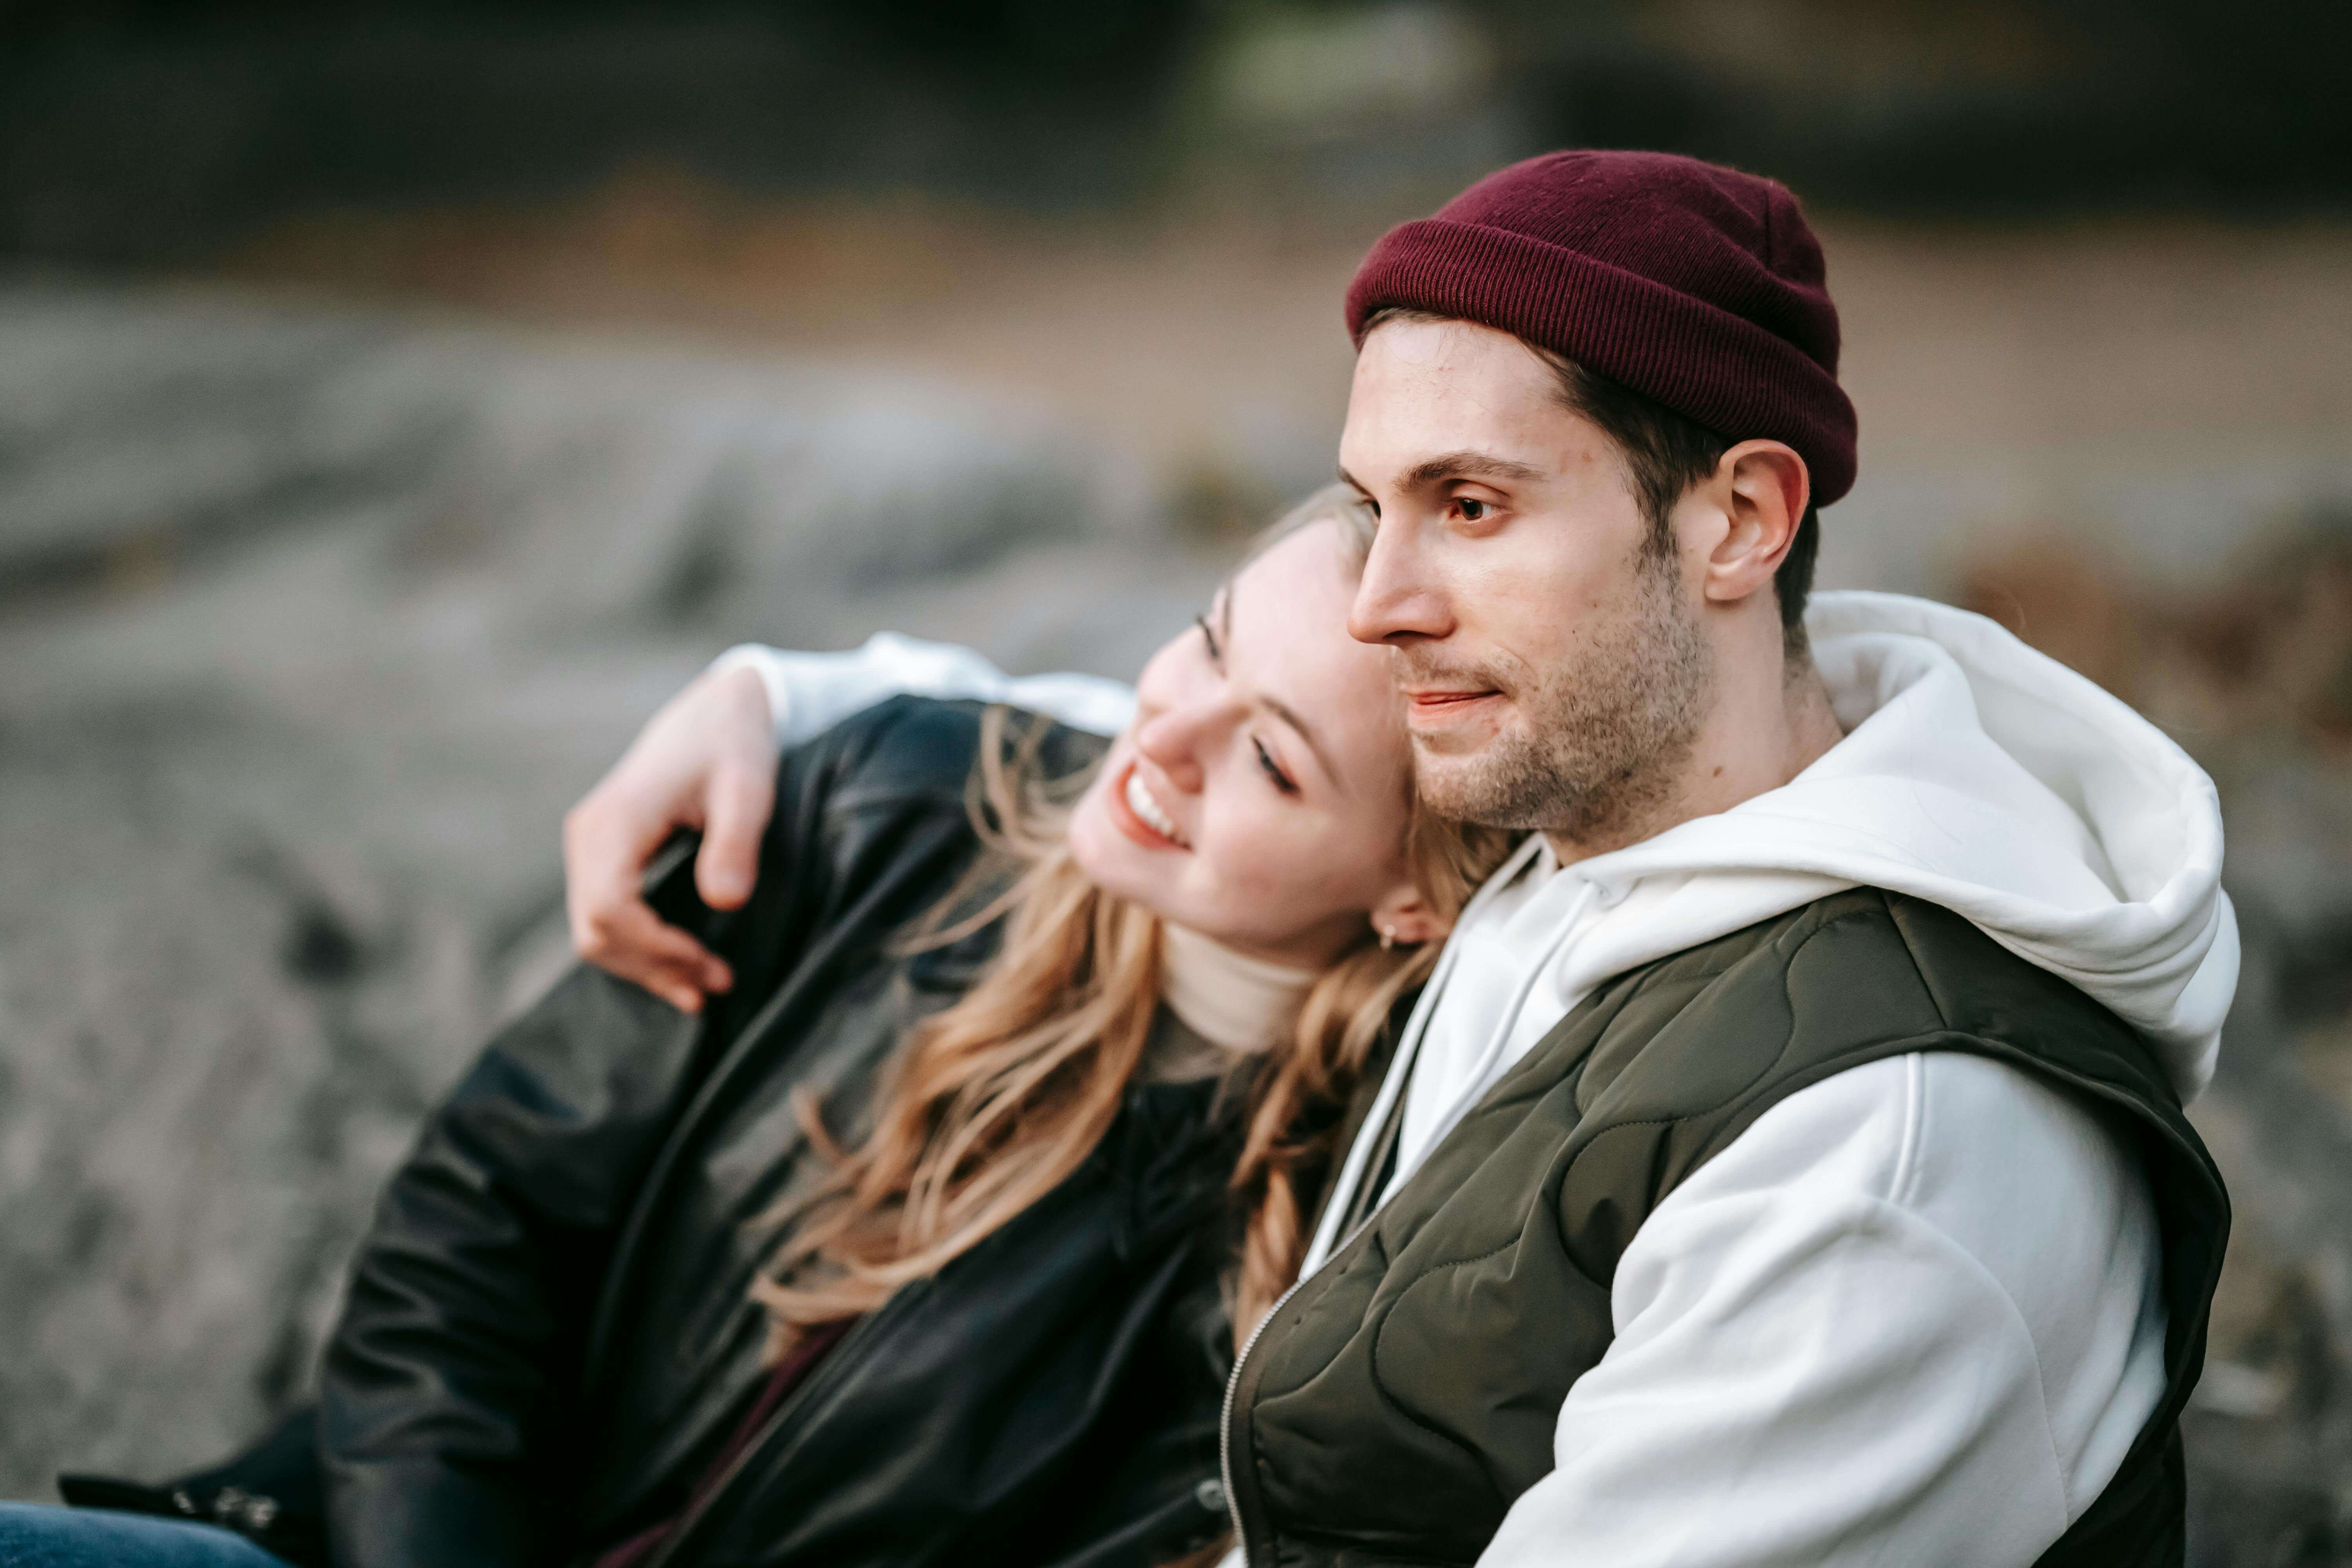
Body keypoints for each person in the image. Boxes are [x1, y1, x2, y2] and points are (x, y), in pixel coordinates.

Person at [565, 151, 2235, 1566]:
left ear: (1738, 519)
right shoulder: (1611, 799)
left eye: (1476, 507)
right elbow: (1196, 746)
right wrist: (789, 698)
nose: (1377, 604)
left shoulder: (1889, 1159)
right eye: (1374, 506)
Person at [0, 495, 1512, 1568]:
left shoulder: (1333, 1233)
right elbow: (470, 1238)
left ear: (1415, 905)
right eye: (1202, 641)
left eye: (1267, 755)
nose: (1157, 735)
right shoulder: (880, 806)